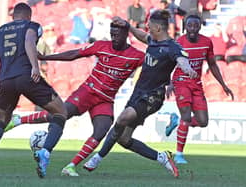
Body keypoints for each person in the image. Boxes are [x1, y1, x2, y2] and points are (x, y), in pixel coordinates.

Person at [4, 22, 145, 176]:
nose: (114, 38)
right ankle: (18, 120)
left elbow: (155, 68)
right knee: (62, 114)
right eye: (112, 34)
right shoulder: (101, 46)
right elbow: (73, 54)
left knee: (101, 130)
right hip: (88, 91)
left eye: (117, 34)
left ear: (126, 35)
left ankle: (70, 166)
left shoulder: (136, 56)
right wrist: (46, 57)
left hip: (106, 99)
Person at [84, 10, 197, 178]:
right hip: (138, 94)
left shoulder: (172, 47)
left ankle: (98, 158)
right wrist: (128, 26)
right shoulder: (153, 41)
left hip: (153, 96)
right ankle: (161, 157)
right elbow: (142, 36)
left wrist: (188, 69)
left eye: (149, 25)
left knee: (122, 118)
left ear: (158, 27)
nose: (147, 27)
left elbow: (182, 60)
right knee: (124, 139)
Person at [0, 3, 67, 178]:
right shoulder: (32, 26)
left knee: (2, 120)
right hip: (27, 77)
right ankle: (45, 153)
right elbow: (28, 40)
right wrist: (35, 67)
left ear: (13, 16)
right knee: (60, 112)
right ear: (29, 15)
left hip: (5, 80)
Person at [165, 14, 234, 164]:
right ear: (185, 27)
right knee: (186, 115)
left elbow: (212, 64)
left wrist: (223, 85)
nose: (193, 29)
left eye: (196, 26)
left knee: (203, 121)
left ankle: (176, 122)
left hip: (196, 83)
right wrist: (170, 83)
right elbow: (170, 64)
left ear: (200, 27)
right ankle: (178, 155)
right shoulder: (179, 43)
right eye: (190, 26)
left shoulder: (206, 42)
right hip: (181, 81)